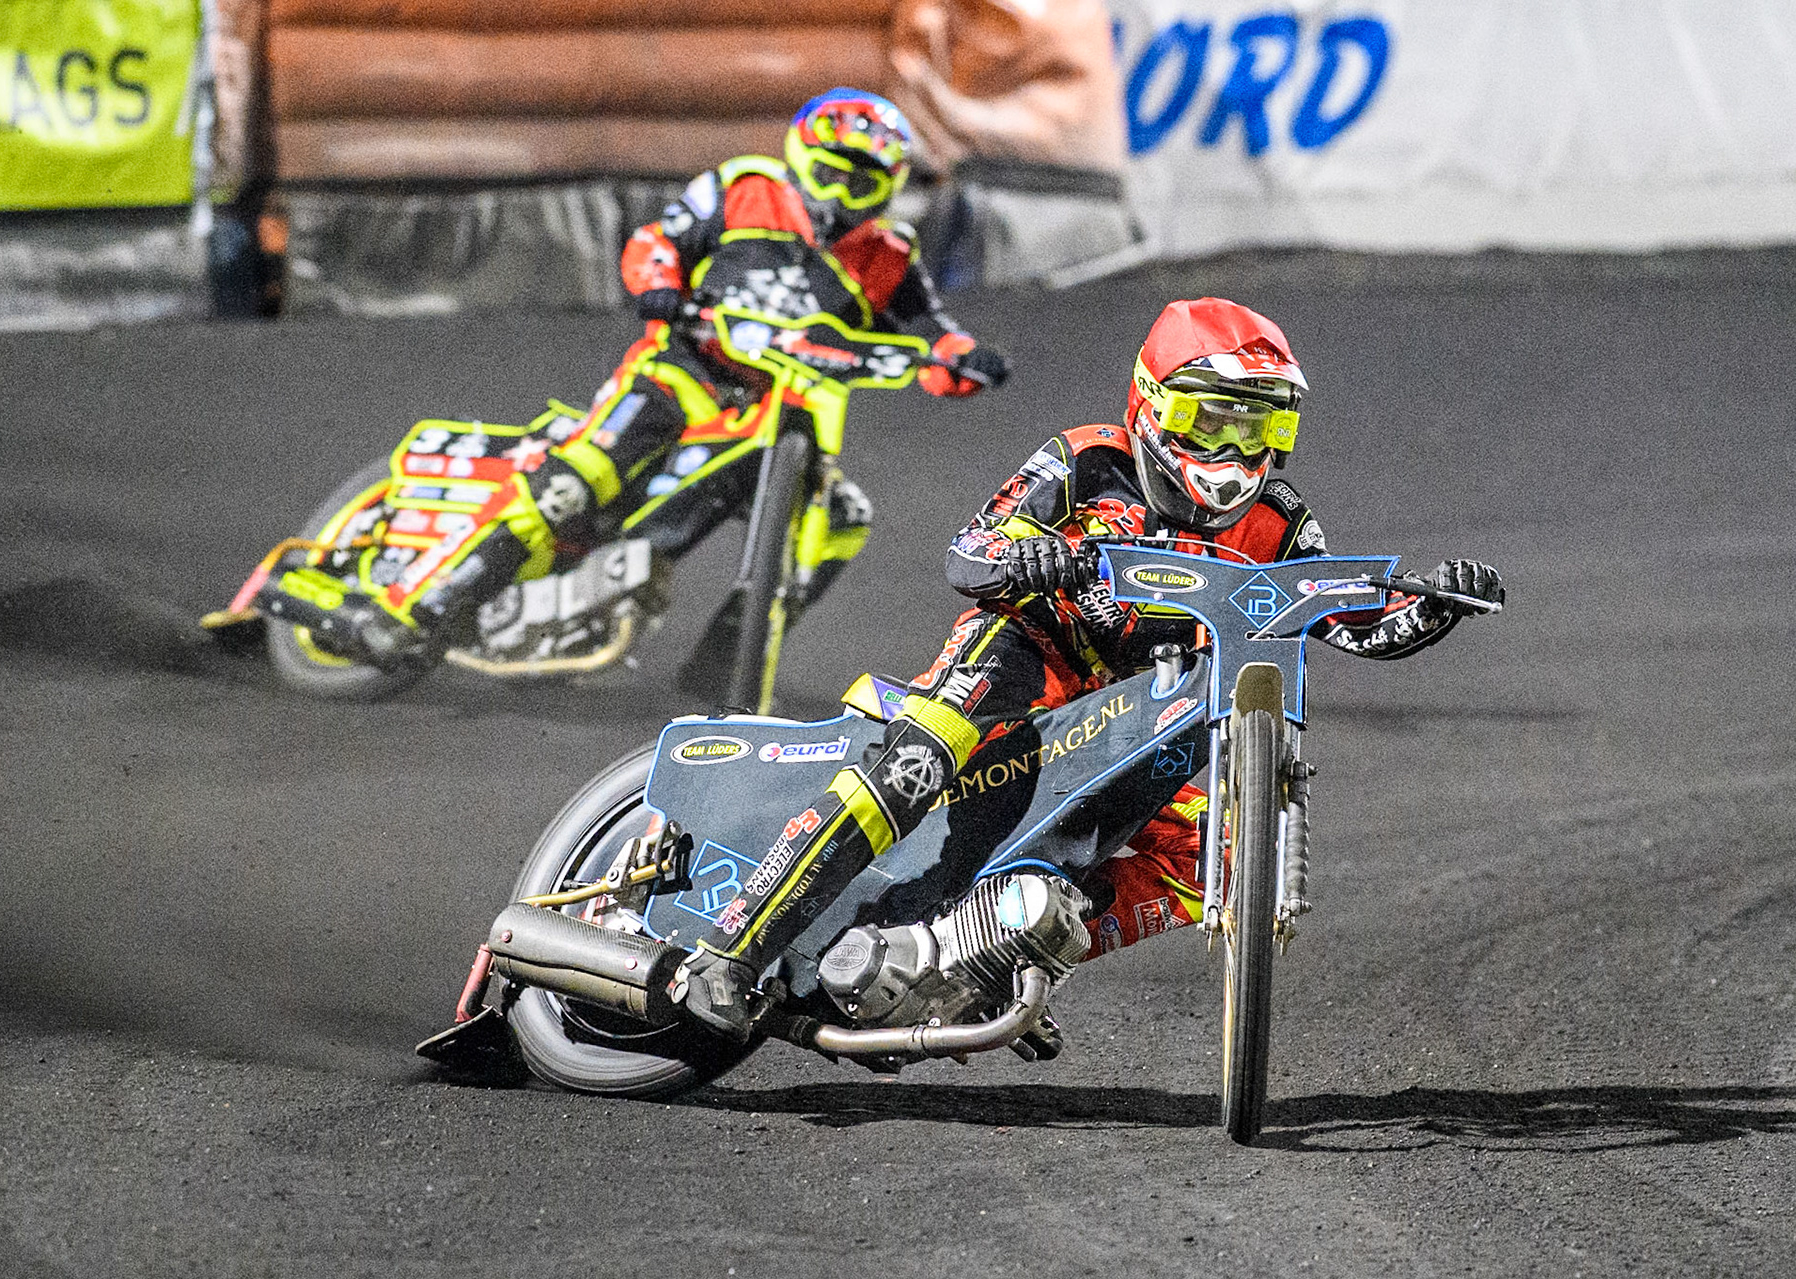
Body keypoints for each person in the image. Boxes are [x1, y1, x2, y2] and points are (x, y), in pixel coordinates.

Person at [674, 296, 1504, 1038]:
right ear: (1155, 404)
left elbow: (1352, 623)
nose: (1232, 449)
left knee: (1216, 855)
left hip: (1136, 709)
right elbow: (969, 551)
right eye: (1214, 422)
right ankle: (730, 950)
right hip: (1028, 653)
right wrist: (1031, 559)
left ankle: (1004, 952)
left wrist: (1433, 605)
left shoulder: (1279, 522)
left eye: (1256, 430)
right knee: (921, 754)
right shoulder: (1086, 460)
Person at [272, 89, 1008, 678]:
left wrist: (964, 357)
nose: (847, 189)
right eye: (837, 169)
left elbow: (934, 328)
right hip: (682, 372)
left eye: (866, 178)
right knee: (578, 479)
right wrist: (658, 286)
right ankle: (415, 604)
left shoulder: (889, 253)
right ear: (804, 154)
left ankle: (722, 666)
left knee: (841, 515)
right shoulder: (742, 187)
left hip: (779, 406)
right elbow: (659, 241)